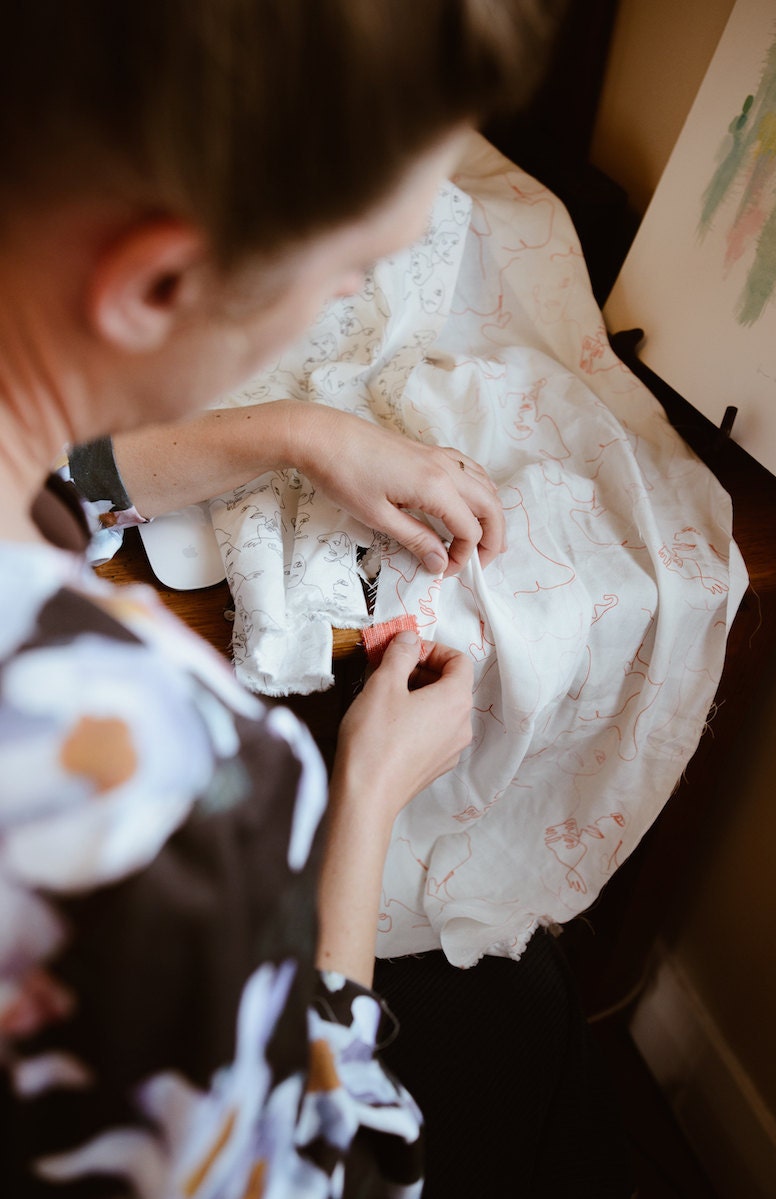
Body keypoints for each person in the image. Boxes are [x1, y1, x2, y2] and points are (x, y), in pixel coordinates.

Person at [0, 2, 572, 1195]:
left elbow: (47, 475)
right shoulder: (149, 784)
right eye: (351, 268)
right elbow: (334, 1173)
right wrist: (357, 801)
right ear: (159, 276)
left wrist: (295, 434)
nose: (353, 293)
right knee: (525, 1021)